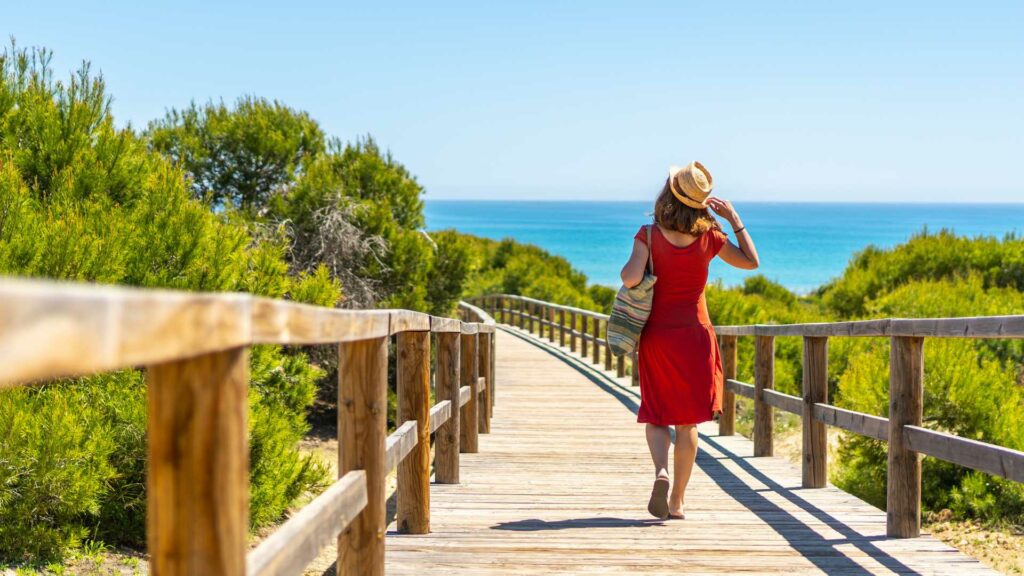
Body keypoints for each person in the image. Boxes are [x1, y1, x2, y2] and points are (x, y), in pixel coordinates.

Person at [619, 161, 760, 520]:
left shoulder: (648, 235)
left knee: (656, 413)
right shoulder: (710, 238)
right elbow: (750, 262)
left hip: (658, 338)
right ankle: (678, 501)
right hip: (696, 337)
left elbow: (632, 279)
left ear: (668, 195)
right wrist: (734, 220)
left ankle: (660, 472)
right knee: (688, 423)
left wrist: (638, 264)